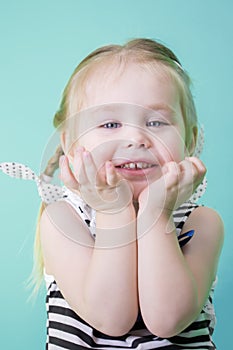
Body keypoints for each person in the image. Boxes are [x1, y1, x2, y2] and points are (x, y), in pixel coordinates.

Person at [1, 38, 224, 349]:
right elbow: (112, 318)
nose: (135, 137)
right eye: (110, 123)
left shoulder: (201, 222)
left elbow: (168, 319)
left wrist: (156, 213)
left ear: (189, 140)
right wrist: (113, 211)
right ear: (71, 143)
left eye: (156, 122)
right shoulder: (63, 220)